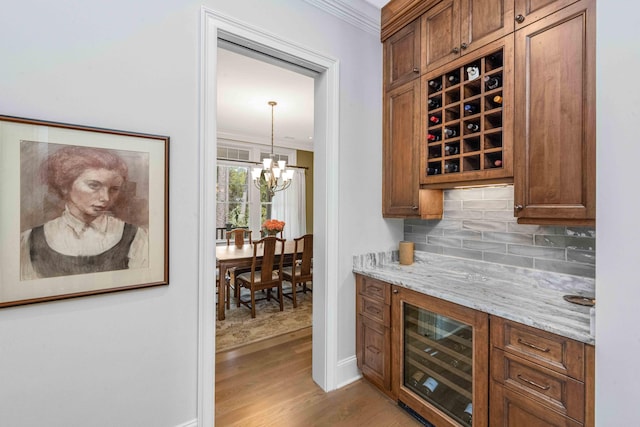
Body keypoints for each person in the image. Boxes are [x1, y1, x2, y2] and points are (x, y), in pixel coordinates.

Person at [20, 145, 148, 280]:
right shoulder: (29, 240)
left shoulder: (136, 237)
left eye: (114, 189)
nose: (106, 198)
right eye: (94, 185)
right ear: (65, 186)